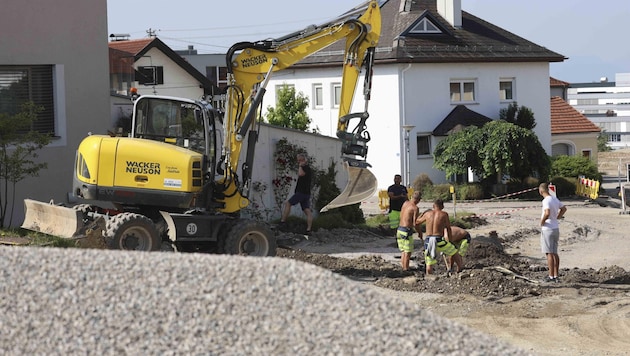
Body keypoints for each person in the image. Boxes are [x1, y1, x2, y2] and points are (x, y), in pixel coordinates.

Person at [416, 199, 463, 275]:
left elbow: (417, 222)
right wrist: (450, 241)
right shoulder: (444, 214)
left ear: (433, 206)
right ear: (442, 206)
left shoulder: (427, 214)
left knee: (429, 260)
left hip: (428, 239)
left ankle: (429, 276)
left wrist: (423, 213)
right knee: (454, 251)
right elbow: (448, 228)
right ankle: (460, 268)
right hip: (439, 239)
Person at [539, 182, 567, 282]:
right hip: (555, 227)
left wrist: (542, 221)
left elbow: (547, 212)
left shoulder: (546, 200)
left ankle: (551, 276)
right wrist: (557, 217)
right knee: (555, 252)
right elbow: (563, 208)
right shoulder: (555, 199)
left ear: (541, 191)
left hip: (548, 228)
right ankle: (556, 275)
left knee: (549, 253)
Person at [280, 153, 313, 234]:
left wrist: (300, 166)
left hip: (301, 193)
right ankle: (308, 229)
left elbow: (300, 174)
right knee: (307, 210)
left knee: (288, 203)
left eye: (299, 160)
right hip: (306, 193)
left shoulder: (305, 168)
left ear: (303, 160)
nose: (298, 162)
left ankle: (282, 222)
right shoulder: (309, 169)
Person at [396, 191, 422, 271]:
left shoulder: (405, 203)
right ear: (418, 200)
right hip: (406, 231)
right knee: (408, 252)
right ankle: (406, 269)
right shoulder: (415, 208)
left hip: (399, 229)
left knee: (403, 251)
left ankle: (403, 267)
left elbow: (401, 215)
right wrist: (419, 233)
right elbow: (415, 223)